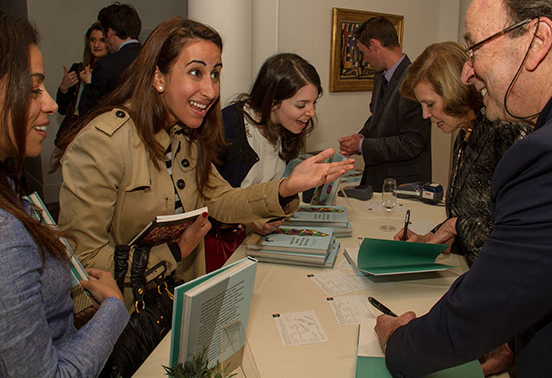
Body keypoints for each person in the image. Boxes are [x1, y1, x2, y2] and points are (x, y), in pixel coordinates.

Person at [375, 0, 552, 376]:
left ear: (537, 40)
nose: (468, 72)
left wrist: (399, 342)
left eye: (474, 47)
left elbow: (481, 310)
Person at [57, 17, 353, 309]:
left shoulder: (188, 137)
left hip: (180, 302)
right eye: (196, 73)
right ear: (158, 77)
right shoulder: (103, 142)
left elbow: (221, 200)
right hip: (128, 321)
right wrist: (175, 251)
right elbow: (86, 262)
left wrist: (287, 188)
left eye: (215, 74)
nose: (211, 90)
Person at [0, 12, 128, 377]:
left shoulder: (11, 189)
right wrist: (114, 309)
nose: (51, 104)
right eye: (33, 88)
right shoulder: (6, 236)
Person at [393, 42, 531, 269]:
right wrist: (432, 238)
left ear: (454, 91)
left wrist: (455, 227)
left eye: (430, 104)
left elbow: (520, 230)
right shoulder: (465, 133)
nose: (425, 115)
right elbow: (470, 213)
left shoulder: (507, 130)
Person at [217, 53, 321, 235]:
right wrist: (252, 221)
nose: (311, 113)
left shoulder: (289, 127)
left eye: (314, 103)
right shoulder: (229, 124)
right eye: (301, 105)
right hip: (226, 239)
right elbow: (212, 199)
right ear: (273, 102)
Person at [339, 16, 431, 191]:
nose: (364, 58)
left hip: (403, 183)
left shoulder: (414, 80)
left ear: (374, 45)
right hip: (377, 179)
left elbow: (411, 143)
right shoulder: (380, 76)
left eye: (363, 51)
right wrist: (361, 136)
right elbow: (378, 116)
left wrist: (362, 146)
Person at [78, 2, 142, 116]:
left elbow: (87, 110)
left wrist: (88, 83)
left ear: (110, 32)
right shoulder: (152, 57)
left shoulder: (106, 65)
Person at [55, 21, 107, 145]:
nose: (96, 45)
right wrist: (64, 88)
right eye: (93, 40)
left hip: (97, 134)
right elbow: (61, 109)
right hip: (73, 133)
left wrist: (90, 83)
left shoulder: (111, 73)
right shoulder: (78, 69)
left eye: (102, 40)